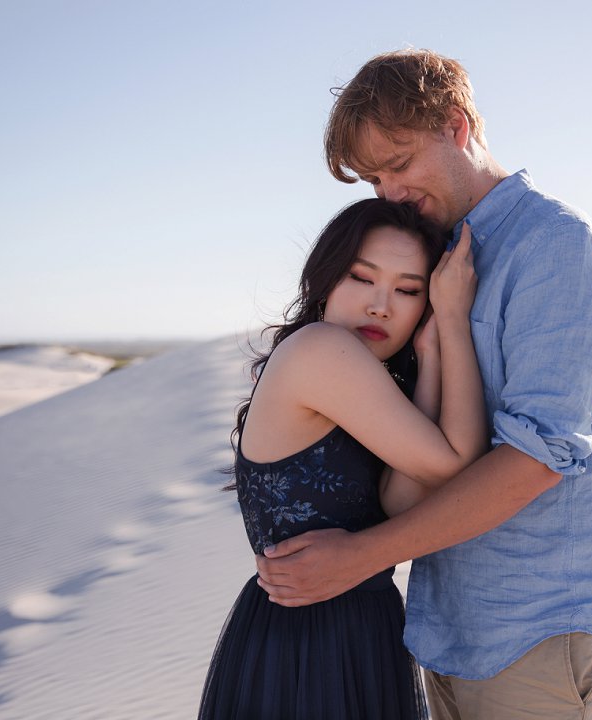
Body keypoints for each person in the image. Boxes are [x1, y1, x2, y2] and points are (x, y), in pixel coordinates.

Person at [257, 49, 592, 719]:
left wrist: (360, 558)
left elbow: (535, 462)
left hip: (539, 630)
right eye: (374, 180)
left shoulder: (557, 249)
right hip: (449, 631)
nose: (391, 194)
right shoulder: (434, 253)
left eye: (400, 164)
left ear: (458, 127)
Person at [198, 197, 486, 719]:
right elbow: (454, 464)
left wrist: (433, 359)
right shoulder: (320, 350)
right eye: (361, 277)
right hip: (305, 647)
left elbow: (404, 498)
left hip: (361, 632)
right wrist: (453, 321)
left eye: (408, 291)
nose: (381, 305)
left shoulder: (368, 385)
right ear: (326, 279)